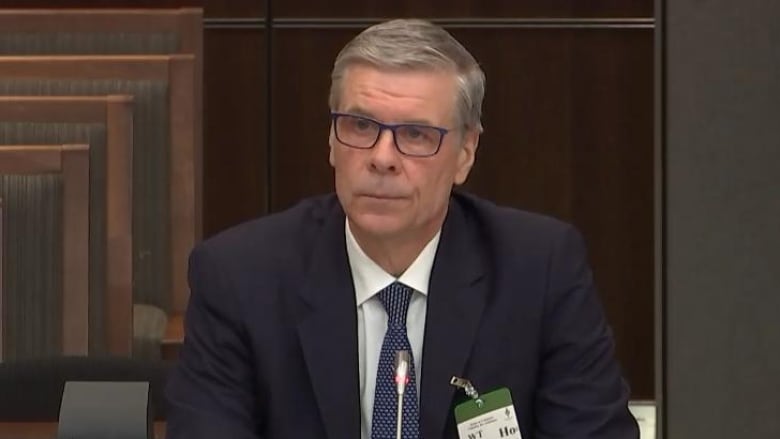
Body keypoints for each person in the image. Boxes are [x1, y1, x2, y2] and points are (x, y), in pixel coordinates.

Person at [166, 18, 639, 439]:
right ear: (331, 141)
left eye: (415, 134)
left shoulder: (539, 270)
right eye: (359, 125)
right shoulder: (239, 276)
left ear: (466, 153)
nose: (382, 157)